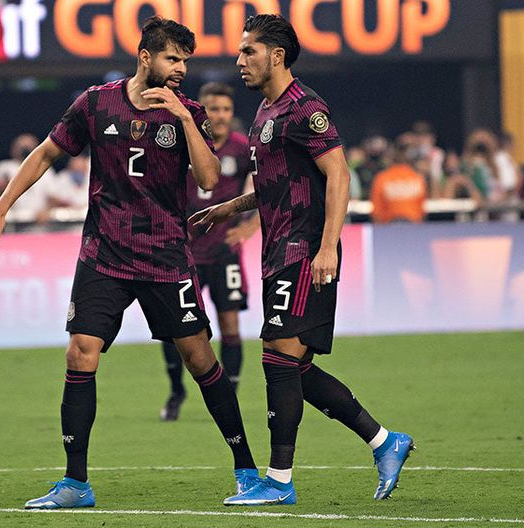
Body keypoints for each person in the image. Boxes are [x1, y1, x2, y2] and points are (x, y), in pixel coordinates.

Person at [0, 16, 259, 510]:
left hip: (165, 255)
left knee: (200, 358)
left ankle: (246, 470)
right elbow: (45, 154)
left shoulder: (188, 111)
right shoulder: (96, 103)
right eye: (172, 59)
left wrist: (186, 121)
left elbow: (208, 179)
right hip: (105, 253)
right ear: (145, 57)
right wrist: (1, 207)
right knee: (80, 352)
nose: (181, 69)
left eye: (185, 61)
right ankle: (75, 483)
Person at [191, 14, 413, 506]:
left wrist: (328, 245)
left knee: (277, 357)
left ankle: (279, 481)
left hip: (304, 251)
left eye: (248, 50)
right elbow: (274, 186)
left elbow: (339, 174)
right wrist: (227, 208)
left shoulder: (304, 108)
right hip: (276, 252)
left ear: (276, 56)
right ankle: (384, 441)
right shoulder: (264, 112)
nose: (239, 59)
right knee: (295, 366)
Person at [159, 81, 259, 421]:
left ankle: (228, 398)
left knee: (230, 325)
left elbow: (270, 186)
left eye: (226, 109)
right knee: (176, 328)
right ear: (200, 110)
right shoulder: (182, 142)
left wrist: (250, 227)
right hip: (183, 253)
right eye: (214, 109)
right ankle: (176, 392)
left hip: (223, 253)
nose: (220, 116)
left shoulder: (242, 149)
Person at [370, 137, 428, 223]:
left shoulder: (418, 178)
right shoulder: (382, 178)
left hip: (411, 226)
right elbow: (377, 213)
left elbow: (376, 214)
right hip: (391, 226)